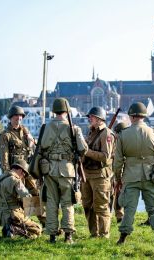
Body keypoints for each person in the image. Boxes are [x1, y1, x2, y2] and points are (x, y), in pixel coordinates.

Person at [113, 102, 154, 249]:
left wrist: (118, 179)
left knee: (129, 209)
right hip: (151, 176)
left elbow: (118, 162)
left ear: (131, 116)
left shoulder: (123, 135)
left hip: (131, 177)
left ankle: (122, 239)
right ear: (144, 116)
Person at [40, 98, 88, 244]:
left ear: (54, 111)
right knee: (67, 203)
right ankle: (68, 236)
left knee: (51, 202)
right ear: (67, 111)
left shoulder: (46, 127)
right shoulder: (74, 128)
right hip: (67, 170)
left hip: (49, 169)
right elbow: (83, 149)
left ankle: (52, 235)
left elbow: (42, 145)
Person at [0, 105, 43, 223]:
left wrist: (32, 140)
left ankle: (46, 223)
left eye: (20, 116)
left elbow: (33, 147)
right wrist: (7, 174)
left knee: (35, 193)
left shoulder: (25, 131)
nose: (19, 118)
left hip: (27, 169)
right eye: (16, 116)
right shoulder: (5, 135)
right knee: (18, 197)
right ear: (11, 117)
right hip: (15, 171)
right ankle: (18, 223)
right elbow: (4, 157)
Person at [81, 106, 115, 238]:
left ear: (100, 119)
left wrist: (87, 152)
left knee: (101, 206)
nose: (89, 119)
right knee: (87, 205)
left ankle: (104, 234)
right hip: (87, 174)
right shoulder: (91, 132)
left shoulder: (106, 133)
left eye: (92, 117)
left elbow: (105, 156)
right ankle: (94, 234)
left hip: (100, 176)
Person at [0, 159, 42, 239]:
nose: (23, 175)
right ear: (20, 170)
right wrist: (37, 209)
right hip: (13, 214)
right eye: (24, 173)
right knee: (38, 229)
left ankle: (8, 227)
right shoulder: (15, 180)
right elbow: (26, 196)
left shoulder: (0, 178)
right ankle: (14, 229)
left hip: (2, 215)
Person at [111, 121, 129, 223]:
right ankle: (119, 216)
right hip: (116, 171)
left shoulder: (125, 142)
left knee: (122, 195)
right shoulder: (115, 142)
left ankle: (121, 215)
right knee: (117, 195)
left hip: (124, 172)